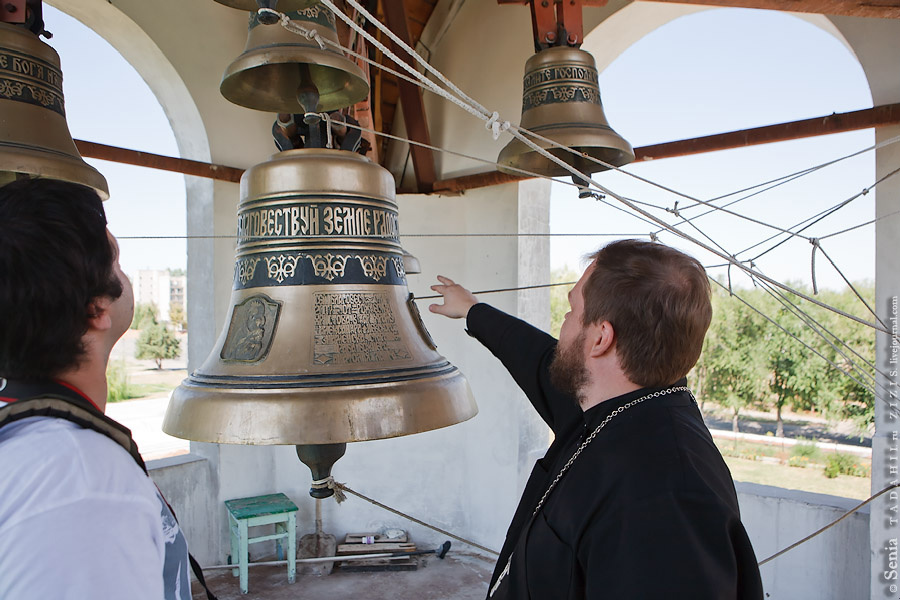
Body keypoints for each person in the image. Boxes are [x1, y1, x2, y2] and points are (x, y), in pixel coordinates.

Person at [429, 239, 764, 600]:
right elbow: (537, 359)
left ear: (601, 338)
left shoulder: (667, 493)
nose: (565, 322)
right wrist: (474, 311)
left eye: (572, 311)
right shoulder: (616, 405)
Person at [0, 178, 193, 599]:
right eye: (118, 260)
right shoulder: (82, 484)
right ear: (96, 307)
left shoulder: (29, 440)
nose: (123, 271)